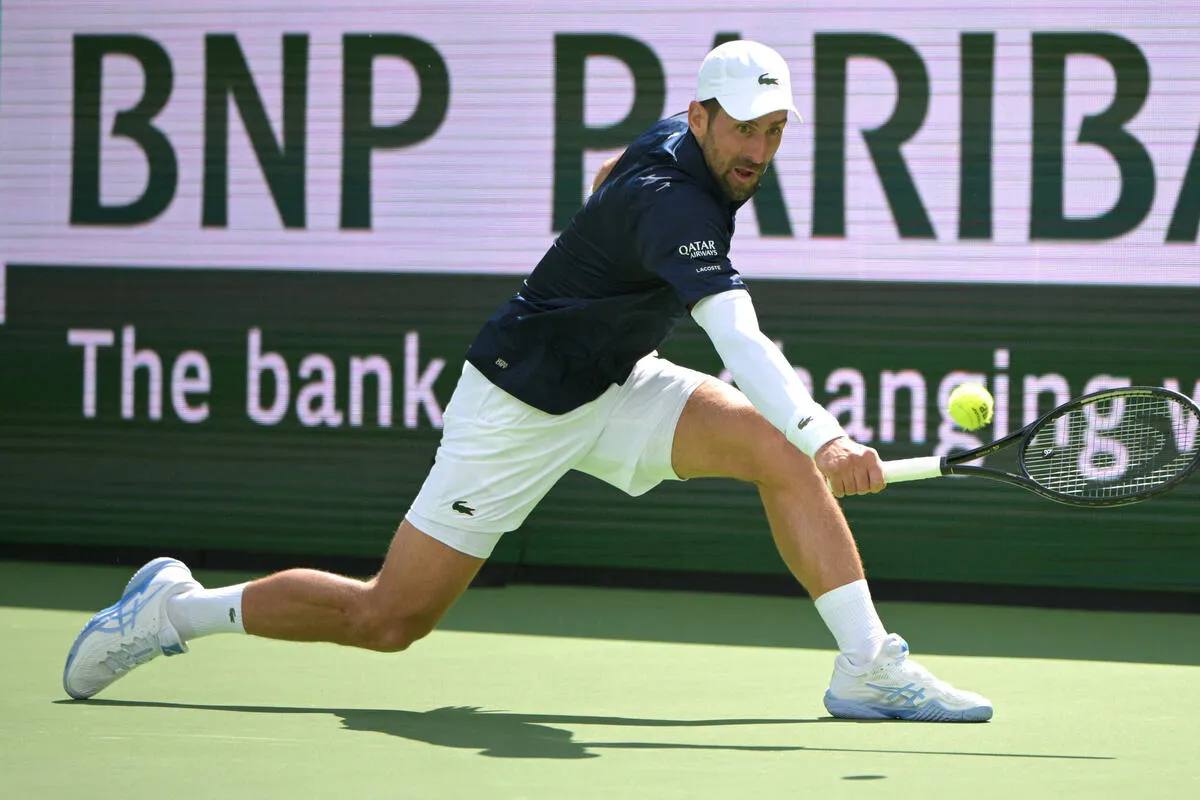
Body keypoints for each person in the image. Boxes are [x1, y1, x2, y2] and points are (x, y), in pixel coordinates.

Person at [63, 40, 992, 722]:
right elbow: (738, 339)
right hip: (519, 405)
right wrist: (828, 435)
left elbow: (609, 173)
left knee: (773, 451)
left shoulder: (676, 141)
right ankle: (174, 612)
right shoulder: (677, 205)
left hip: (615, 379)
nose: (757, 149)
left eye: (774, 131)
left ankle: (868, 667)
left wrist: (800, 440)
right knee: (388, 617)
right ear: (703, 116)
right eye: (743, 129)